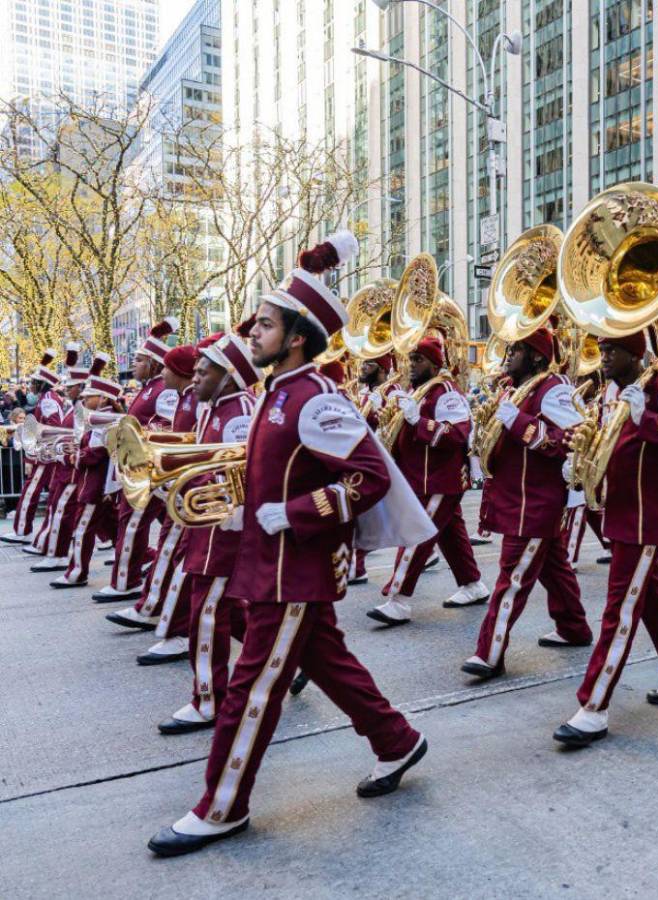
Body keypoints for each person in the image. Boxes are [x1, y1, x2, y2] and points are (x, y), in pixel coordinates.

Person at [148, 230, 437, 857]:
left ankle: (220, 807)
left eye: (266, 324)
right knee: (327, 661)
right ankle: (396, 740)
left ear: (297, 337)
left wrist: (297, 512)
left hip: (292, 573)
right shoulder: (272, 395)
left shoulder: (312, 399)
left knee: (252, 690)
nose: (252, 331)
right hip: (269, 565)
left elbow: (370, 476)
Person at [553, 330, 658, 747]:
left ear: (634, 353)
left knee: (620, 610)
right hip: (620, 510)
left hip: (648, 515)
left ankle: (593, 707)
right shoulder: (612, 390)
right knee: (649, 600)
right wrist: (580, 445)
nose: (602, 357)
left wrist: (647, 418)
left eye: (611, 351)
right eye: (601, 349)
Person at [462, 327, 593, 679]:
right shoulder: (520, 389)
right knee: (554, 567)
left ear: (535, 355)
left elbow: (570, 442)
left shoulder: (554, 390)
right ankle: (573, 627)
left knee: (513, 578)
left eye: (516, 349)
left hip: (534, 502)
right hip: (519, 497)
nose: (508, 354)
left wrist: (517, 422)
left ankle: (489, 653)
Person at [157, 332, 260, 735]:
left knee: (207, 612)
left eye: (204, 370)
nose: (194, 377)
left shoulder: (238, 411)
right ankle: (291, 661)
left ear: (229, 374)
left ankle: (209, 699)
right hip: (208, 525)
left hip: (226, 525)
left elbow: (240, 474)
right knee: (229, 610)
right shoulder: (215, 406)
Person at [370, 333, 489, 625]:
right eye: (410, 358)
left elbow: (457, 433)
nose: (411, 365)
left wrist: (418, 422)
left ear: (435, 364)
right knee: (451, 535)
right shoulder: (417, 390)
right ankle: (472, 584)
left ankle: (398, 600)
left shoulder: (446, 392)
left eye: (418, 359)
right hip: (420, 480)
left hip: (440, 480)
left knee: (417, 533)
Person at [106, 342, 204, 664]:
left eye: (165, 366)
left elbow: (196, 442)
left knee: (188, 565)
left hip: (194, 492)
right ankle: (158, 612)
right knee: (178, 558)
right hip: (182, 486)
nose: (162, 371)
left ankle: (161, 616)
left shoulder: (181, 395)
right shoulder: (182, 395)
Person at [94, 318, 180, 602]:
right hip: (139, 466)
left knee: (132, 523)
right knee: (143, 524)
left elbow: (166, 426)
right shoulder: (147, 388)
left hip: (151, 468)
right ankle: (149, 570)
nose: (134, 364)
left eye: (140, 360)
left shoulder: (162, 389)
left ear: (155, 363)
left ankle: (125, 581)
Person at [52, 355, 121, 589]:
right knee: (114, 529)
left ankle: (77, 572)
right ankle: (146, 557)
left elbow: (96, 453)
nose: (83, 398)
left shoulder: (107, 419)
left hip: (95, 485)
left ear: (103, 399)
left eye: (88, 396)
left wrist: (73, 456)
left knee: (83, 530)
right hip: (96, 484)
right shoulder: (100, 418)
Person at [29, 344, 87, 571]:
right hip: (65, 466)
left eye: (71, 386)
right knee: (61, 508)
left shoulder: (80, 409)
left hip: (73, 468)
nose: (66, 389)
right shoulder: (73, 407)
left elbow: (80, 438)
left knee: (63, 510)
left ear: (81, 387)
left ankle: (59, 555)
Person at [1, 349, 64, 545]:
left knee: (31, 492)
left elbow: (52, 428)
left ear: (41, 384)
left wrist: (34, 455)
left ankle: (23, 531)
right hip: (47, 453)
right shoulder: (48, 400)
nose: (30, 386)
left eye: (33, 382)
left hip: (45, 454)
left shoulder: (47, 402)